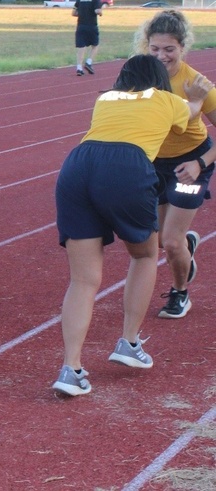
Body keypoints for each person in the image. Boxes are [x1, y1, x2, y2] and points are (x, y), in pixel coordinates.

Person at [52, 54, 211, 396]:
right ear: (158, 79)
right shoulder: (168, 99)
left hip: (77, 165)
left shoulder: (105, 98)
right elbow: (192, 114)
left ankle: (70, 368)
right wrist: (196, 98)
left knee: (82, 279)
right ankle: (128, 342)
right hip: (127, 165)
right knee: (143, 255)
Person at [132, 10, 216, 319]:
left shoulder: (196, 83)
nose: (161, 55)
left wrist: (199, 162)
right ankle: (186, 246)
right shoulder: (141, 77)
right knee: (158, 239)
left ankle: (181, 293)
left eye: (169, 49)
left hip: (191, 163)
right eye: (155, 48)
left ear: (183, 47)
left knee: (169, 241)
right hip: (156, 164)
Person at [73, 0, 104, 76]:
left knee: (81, 47)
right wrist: (101, 12)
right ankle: (89, 62)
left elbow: (74, 13)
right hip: (91, 26)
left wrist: (83, 13)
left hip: (81, 25)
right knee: (95, 44)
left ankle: (79, 68)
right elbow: (97, 11)